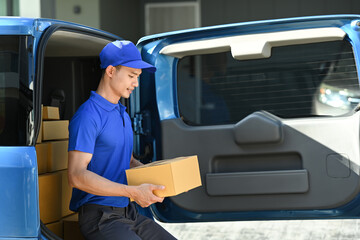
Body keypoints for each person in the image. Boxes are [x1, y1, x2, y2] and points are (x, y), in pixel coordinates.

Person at [67, 40, 177, 240]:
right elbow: (76, 175)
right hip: (99, 216)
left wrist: (157, 177)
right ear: (110, 71)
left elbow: (125, 160)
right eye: (131, 76)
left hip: (128, 212)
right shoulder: (88, 116)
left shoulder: (122, 113)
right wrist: (133, 192)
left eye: (138, 77)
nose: (135, 83)